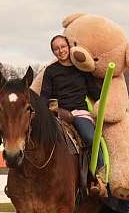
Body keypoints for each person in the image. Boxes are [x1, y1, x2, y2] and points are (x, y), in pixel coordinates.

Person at [40, 35, 106, 196]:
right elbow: (45, 96)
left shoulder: (81, 69)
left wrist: (108, 97)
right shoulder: (50, 71)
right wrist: (55, 111)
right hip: (59, 114)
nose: (60, 51)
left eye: (62, 46)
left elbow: (94, 92)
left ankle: (99, 178)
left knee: (91, 138)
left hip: (79, 113)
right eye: (56, 49)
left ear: (69, 47)